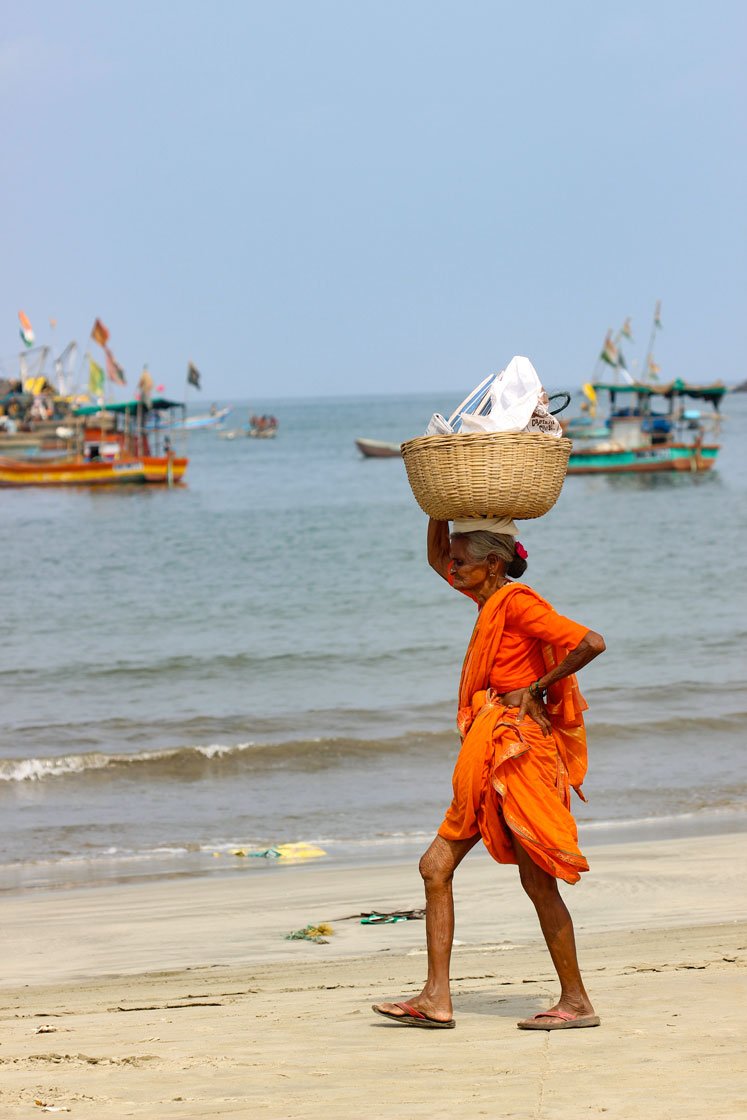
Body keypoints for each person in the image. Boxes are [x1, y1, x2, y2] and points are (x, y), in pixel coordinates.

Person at [373, 517, 605, 1032]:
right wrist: (438, 509)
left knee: (538, 883)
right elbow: (436, 558)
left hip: (521, 751)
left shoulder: (517, 603)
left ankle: (577, 1001)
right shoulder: (487, 600)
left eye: (462, 559)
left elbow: (590, 642)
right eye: (454, 558)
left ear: (493, 564)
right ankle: (436, 997)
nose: (451, 566)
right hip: (491, 744)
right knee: (435, 866)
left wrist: (540, 687)